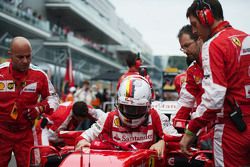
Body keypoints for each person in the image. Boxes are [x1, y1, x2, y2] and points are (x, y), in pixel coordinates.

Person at [180, 1, 250, 166]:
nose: (195, 31)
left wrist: (191, 131)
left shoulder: (213, 45)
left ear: (206, 17)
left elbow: (214, 97)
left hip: (232, 128)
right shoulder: (246, 38)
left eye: (194, 24)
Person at [75, 75, 179, 157]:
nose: (131, 113)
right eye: (127, 107)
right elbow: (85, 136)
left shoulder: (156, 117)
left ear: (148, 106)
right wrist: (83, 141)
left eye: (137, 108)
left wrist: (163, 142)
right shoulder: (109, 118)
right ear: (118, 104)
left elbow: (176, 138)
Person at [0, 37, 59, 167]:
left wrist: (39, 108)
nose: (25, 61)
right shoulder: (1, 72)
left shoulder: (39, 75)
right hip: (2, 132)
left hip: (25, 133)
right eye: (20, 57)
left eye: (28, 56)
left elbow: (54, 100)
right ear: (10, 55)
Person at [37, 101, 106, 145]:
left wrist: (107, 120)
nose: (82, 120)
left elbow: (100, 114)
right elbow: (53, 137)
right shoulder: (63, 117)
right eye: (81, 119)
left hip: (59, 125)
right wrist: (71, 138)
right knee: (45, 153)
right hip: (45, 128)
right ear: (75, 116)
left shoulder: (86, 109)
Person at [174, 25, 204, 120]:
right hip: (204, 124)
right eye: (182, 48)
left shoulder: (216, 59)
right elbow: (185, 101)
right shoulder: (192, 69)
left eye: (187, 46)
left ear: (199, 39)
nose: (185, 51)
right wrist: (173, 125)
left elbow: (215, 98)